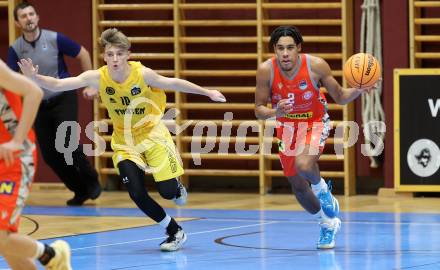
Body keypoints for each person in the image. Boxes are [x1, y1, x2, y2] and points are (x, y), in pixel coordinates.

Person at [18, 28, 227, 251]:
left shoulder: (142, 74)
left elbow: (173, 83)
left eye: (119, 54)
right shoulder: (98, 77)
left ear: (128, 54)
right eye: (110, 54)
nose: (115, 59)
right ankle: (174, 231)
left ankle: (176, 188)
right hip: (124, 140)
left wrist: (208, 92)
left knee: (167, 192)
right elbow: (60, 85)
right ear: (104, 56)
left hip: (152, 133)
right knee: (136, 192)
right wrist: (34, 77)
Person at [255, 26, 375, 249]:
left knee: (304, 163)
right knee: (298, 187)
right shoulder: (266, 71)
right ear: (274, 50)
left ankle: (322, 190)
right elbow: (258, 109)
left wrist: (359, 88)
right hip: (287, 128)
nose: (285, 53)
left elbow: (340, 97)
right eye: (280, 48)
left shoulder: (316, 66)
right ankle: (327, 223)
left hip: (315, 123)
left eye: (290, 48)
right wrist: (275, 112)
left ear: (298, 48)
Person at [7, 2, 101, 206]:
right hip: (38, 103)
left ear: (37, 17)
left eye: (31, 14)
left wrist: (91, 84)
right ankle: (80, 189)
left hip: (63, 97)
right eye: (23, 16)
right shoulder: (15, 49)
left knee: (68, 143)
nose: (29, 18)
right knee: (50, 155)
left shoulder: (53, 38)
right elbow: (11, 80)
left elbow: (82, 53)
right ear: (17, 22)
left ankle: (91, 179)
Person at [0, 59, 71, 270]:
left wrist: (16, 141)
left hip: (15, 160)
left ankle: (52, 254)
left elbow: (34, 92)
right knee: (9, 247)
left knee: (1, 237)